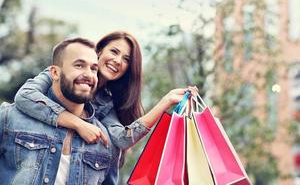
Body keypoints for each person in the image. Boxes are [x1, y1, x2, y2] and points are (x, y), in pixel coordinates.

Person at [14, 31, 198, 183]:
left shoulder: (106, 102)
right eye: (114, 52)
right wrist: (78, 124)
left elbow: (122, 139)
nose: (118, 61)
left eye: (126, 59)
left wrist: (165, 102)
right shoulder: (62, 73)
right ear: (99, 52)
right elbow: (24, 96)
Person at [0, 37, 119, 184]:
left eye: (94, 68)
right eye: (79, 65)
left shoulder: (105, 142)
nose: (89, 74)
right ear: (55, 73)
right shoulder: (9, 118)